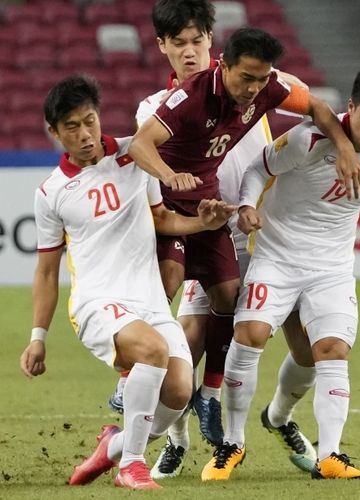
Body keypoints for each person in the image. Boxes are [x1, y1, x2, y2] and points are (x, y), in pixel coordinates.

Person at [109, 0, 318, 479]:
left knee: (308, 347)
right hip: (204, 230)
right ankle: (177, 437)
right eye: (178, 43)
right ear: (161, 47)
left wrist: (271, 79)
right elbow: (144, 164)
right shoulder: (155, 108)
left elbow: (304, 98)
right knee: (187, 339)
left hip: (266, 236)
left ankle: (280, 415)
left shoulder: (251, 82)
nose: (189, 52)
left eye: (197, 41)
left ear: (212, 41)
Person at [203, 66, 360, 481]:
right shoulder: (307, 139)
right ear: (351, 107)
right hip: (276, 259)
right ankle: (233, 442)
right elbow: (258, 169)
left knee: (330, 350)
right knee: (250, 334)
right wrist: (246, 205)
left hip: (331, 270)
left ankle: (328, 454)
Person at [19, 74, 234, 490]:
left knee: (178, 392)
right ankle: (131, 466)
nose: (85, 135)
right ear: (54, 132)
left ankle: (114, 446)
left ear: (99, 116)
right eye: (72, 127)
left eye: (90, 121)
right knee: (152, 351)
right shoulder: (51, 192)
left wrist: (201, 223)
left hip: (148, 300)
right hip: (97, 303)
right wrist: (37, 337)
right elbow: (46, 271)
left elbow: (160, 218)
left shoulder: (134, 156)